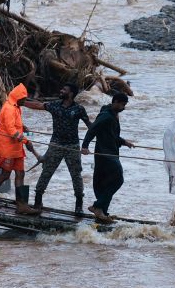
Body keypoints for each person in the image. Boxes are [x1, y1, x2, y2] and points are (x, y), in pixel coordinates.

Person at [20, 83, 91, 215]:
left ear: (70, 94)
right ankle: (38, 202)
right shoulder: (54, 105)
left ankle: (79, 205)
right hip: (55, 145)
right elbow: (38, 105)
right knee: (46, 172)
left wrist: (86, 145)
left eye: (64, 89)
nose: (61, 90)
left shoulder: (79, 109)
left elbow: (90, 127)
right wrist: (21, 102)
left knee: (76, 175)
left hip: (73, 147)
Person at [0, 83, 40, 215]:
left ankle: (22, 205)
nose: (25, 101)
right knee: (5, 174)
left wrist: (25, 128)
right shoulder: (8, 108)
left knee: (20, 174)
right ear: (17, 97)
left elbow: (16, 124)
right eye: (23, 99)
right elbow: (11, 130)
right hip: (8, 148)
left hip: (17, 148)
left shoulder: (17, 107)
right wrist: (27, 141)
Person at [80, 92, 134, 223]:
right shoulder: (106, 116)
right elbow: (93, 129)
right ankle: (97, 206)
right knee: (118, 180)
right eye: (122, 104)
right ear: (115, 102)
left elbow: (111, 135)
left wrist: (123, 142)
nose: (123, 107)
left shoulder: (112, 115)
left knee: (104, 183)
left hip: (109, 152)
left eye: (125, 105)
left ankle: (102, 211)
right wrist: (85, 146)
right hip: (105, 154)